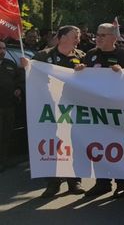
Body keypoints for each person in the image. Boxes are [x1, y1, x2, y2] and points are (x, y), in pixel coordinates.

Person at [75, 23, 124, 198]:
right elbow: (83, 81)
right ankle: (102, 183)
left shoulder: (123, 56)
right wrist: (80, 70)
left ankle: (123, 182)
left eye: (103, 35)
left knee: (117, 147)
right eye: (98, 34)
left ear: (113, 38)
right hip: (96, 111)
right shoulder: (91, 55)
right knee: (98, 146)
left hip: (117, 111)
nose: (99, 38)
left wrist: (123, 73)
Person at [30, 25, 87, 197]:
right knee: (51, 145)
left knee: (74, 143)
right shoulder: (43, 56)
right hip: (49, 109)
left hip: (73, 108)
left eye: (78, 36)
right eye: (74, 36)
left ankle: (74, 181)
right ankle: (52, 183)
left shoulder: (82, 57)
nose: (78, 39)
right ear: (62, 37)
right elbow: (31, 76)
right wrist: (26, 66)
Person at [0, 40, 23, 171]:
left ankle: (3, 161)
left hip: (9, 106)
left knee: (5, 135)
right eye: (0, 48)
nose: (2, 51)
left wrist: (19, 89)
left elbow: (20, 79)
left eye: (4, 48)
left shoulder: (11, 64)